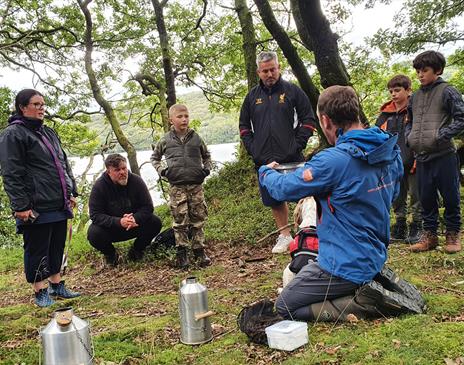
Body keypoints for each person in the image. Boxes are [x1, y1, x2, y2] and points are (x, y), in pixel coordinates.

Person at [259, 85, 403, 321]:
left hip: (343, 265)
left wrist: (265, 172)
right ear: (356, 112)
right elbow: (394, 193)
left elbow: (284, 188)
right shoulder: (388, 147)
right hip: (375, 254)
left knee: (285, 306)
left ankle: (363, 301)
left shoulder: (334, 160)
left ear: (325, 121)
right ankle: (362, 286)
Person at [0, 89, 81, 307]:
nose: (41, 108)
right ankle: (40, 290)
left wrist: (71, 191)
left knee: (56, 245)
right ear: (22, 107)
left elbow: (63, 163)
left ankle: (57, 285)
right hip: (35, 206)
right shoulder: (13, 134)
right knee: (37, 248)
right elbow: (11, 172)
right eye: (36, 104)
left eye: (43, 105)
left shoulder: (49, 133)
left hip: (58, 201)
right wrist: (21, 205)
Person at [239, 51, 316, 254]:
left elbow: (309, 120)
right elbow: (244, 128)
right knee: (274, 199)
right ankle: (284, 236)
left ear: (279, 67)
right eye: (265, 71)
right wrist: (254, 150)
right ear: (259, 72)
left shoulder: (293, 91)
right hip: (264, 160)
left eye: (273, 69)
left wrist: (296, 145)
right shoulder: (251, 97)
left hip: (292, 158)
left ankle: (307, 233)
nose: (270, 74)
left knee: (303, 195)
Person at [406, 50, 464, 254]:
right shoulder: (414, 97)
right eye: (418, 71)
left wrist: (441, 135)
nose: (420, 74)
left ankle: (452, 235)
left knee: (450, 197)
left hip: (444, 155)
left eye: (425, 70)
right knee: (426, 198)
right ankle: (429, 236)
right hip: (421, 156)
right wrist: (409, 137)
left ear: (437, 70)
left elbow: (461, 118)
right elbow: (410, 122)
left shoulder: (449, 91)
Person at [151, 104, 212, 269]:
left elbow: (206, 156)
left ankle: (200, 251)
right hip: (177, 187)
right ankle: (182, 253)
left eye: (186, 116)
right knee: (180, 221)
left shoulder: (196, 138)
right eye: (180, 116)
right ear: (171, 119)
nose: (184, 119)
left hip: (196, 186)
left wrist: (206, 170)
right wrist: (162, 171)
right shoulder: (165, 140)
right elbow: (155, 158)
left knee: (198, 219)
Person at [87, 154, 162, 266]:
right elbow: (95, 215)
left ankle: (137, 250)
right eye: (117, 170)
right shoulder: (100, 186)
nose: (122, 172)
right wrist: (119, 222)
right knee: (94, 234)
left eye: (124, 168)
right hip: (112, 229)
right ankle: (111, 255)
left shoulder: (136, 181)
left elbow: (148, 207)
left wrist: (134, 218)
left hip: (134, 225)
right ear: (109, 172)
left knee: (155, 222)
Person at [376, 75, 422, 243]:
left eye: (397, 90)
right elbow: (377, 136)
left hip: (415, 159)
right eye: (391, 91)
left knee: (417, 194)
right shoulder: (385, 114)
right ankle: (400, 225)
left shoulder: (417, 109)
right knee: (397, 196)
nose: (393, 94)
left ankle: (417, 225)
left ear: (408, 90)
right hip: (393, 162)